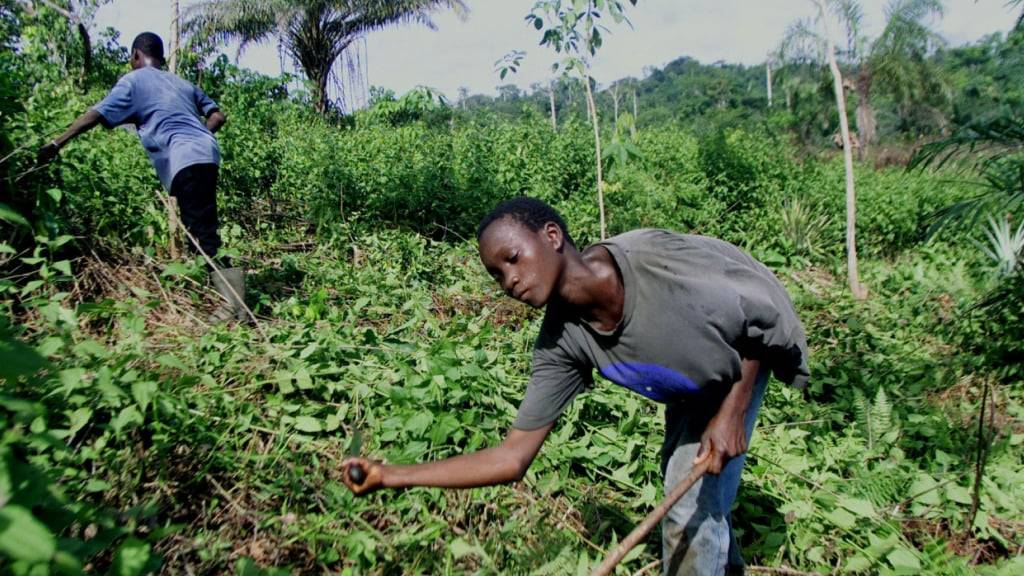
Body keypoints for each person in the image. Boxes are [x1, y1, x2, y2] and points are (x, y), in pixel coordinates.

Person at [341, 197, 809, 575]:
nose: (510, 280)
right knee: (697, 491)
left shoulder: (651, 263)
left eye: (513, 258)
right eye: (497, 274)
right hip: (690, 385)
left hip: (742, 358)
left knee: (688, 506)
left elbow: (761, 318)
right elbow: (512, 457)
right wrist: (392, 475)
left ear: (552, 236)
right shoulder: (562, 343)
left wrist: (731, 413)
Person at [38, 32, 245, 324]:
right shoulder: (182, 83)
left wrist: (57, 143)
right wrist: (197, 135)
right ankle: (232, 305)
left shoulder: (134, 80)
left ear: (136, 55)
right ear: (159, 56)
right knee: (201, 226)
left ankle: (234, 309)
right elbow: (218, 116)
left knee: (202, 233)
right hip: (206, 153)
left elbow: (96, 114)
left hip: (185, 157)